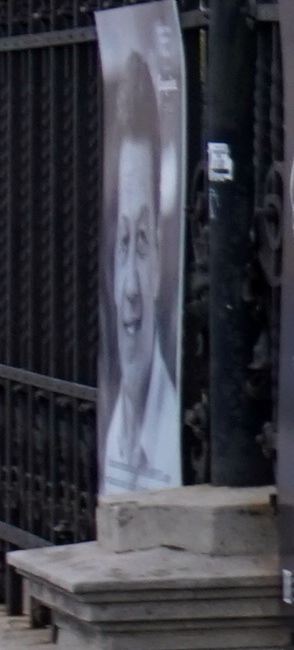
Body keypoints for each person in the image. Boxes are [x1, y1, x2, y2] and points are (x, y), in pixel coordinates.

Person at [97, 33, 183, 497]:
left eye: (146, 242)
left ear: (158, 273)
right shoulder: (113, 435)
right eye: (124, 242)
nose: (130, 287)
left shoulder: (170, 435)